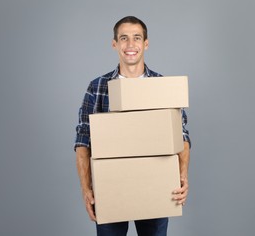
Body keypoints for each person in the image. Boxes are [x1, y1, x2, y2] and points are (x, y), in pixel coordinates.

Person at [74, 16, 191, 236]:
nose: (130, 45)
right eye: (124, 38)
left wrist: (183, 176)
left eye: (137, 38)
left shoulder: (161, 86)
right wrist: (86, 188)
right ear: (114, 44)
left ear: (145, 43)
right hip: (110, 187)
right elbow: (83, 140)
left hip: (155, 184)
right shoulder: (98, 86)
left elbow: (182, 136)